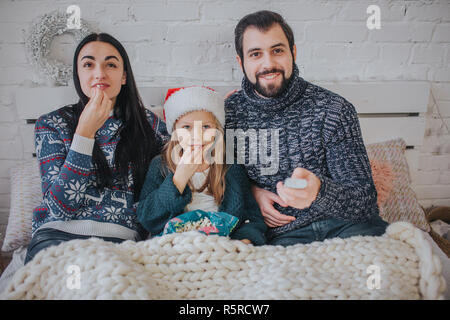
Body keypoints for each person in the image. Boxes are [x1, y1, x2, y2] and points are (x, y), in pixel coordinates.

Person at [225, 10, 388, 246]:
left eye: (277, 50)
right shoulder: (228, 113)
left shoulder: (334, 109)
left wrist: (319, 191)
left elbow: (364, 202)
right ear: (241, 62)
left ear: (293, 52)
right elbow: (212, 182)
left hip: (348, 227)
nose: (268, 63)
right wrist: (251, 192)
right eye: (256, 54)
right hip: (279, 239)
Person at [24, 33, 168, 263]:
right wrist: (84, 133)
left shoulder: (150, 126)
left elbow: (184, 165)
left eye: (110, 64)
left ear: (123, 77)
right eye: (88, 64)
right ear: (78, 74)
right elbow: (60, 209)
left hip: (122, 246)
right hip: (57, 240)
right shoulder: (51, 123)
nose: (99, 73)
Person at [136, 86, 267, 245]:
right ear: (174, 131)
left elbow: (252, 217)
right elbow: (147, 218)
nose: (197, 135)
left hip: (220, 245)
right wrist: (179, 179)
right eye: (187, 127)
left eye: (206, 127)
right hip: (174, 245)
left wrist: (245, 240)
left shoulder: (230, 167)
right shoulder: (161, 165)